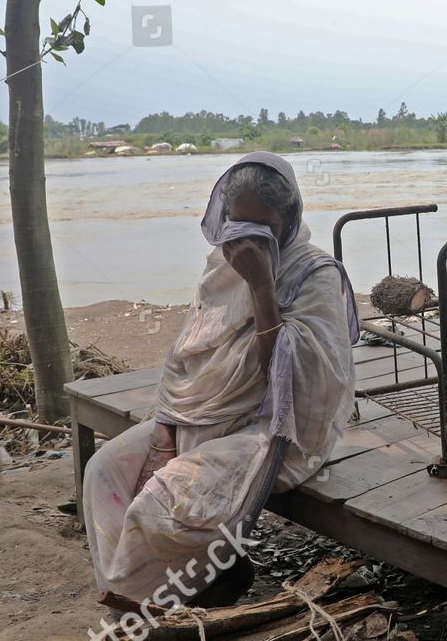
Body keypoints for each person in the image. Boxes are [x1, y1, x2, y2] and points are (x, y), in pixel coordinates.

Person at [82, 152, 359, 610]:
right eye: (236, 222)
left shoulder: (315, 274)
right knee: (104, 471)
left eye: (261, 226)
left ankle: (162, 603)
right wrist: (163, 438)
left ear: (289, 218)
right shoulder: (220, 264)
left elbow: (295, 388)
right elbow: (187, 358)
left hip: (275, 428)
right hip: (199, 412)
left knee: (162, 506)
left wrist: (261, 287)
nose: (244, 239)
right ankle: (146, 594)